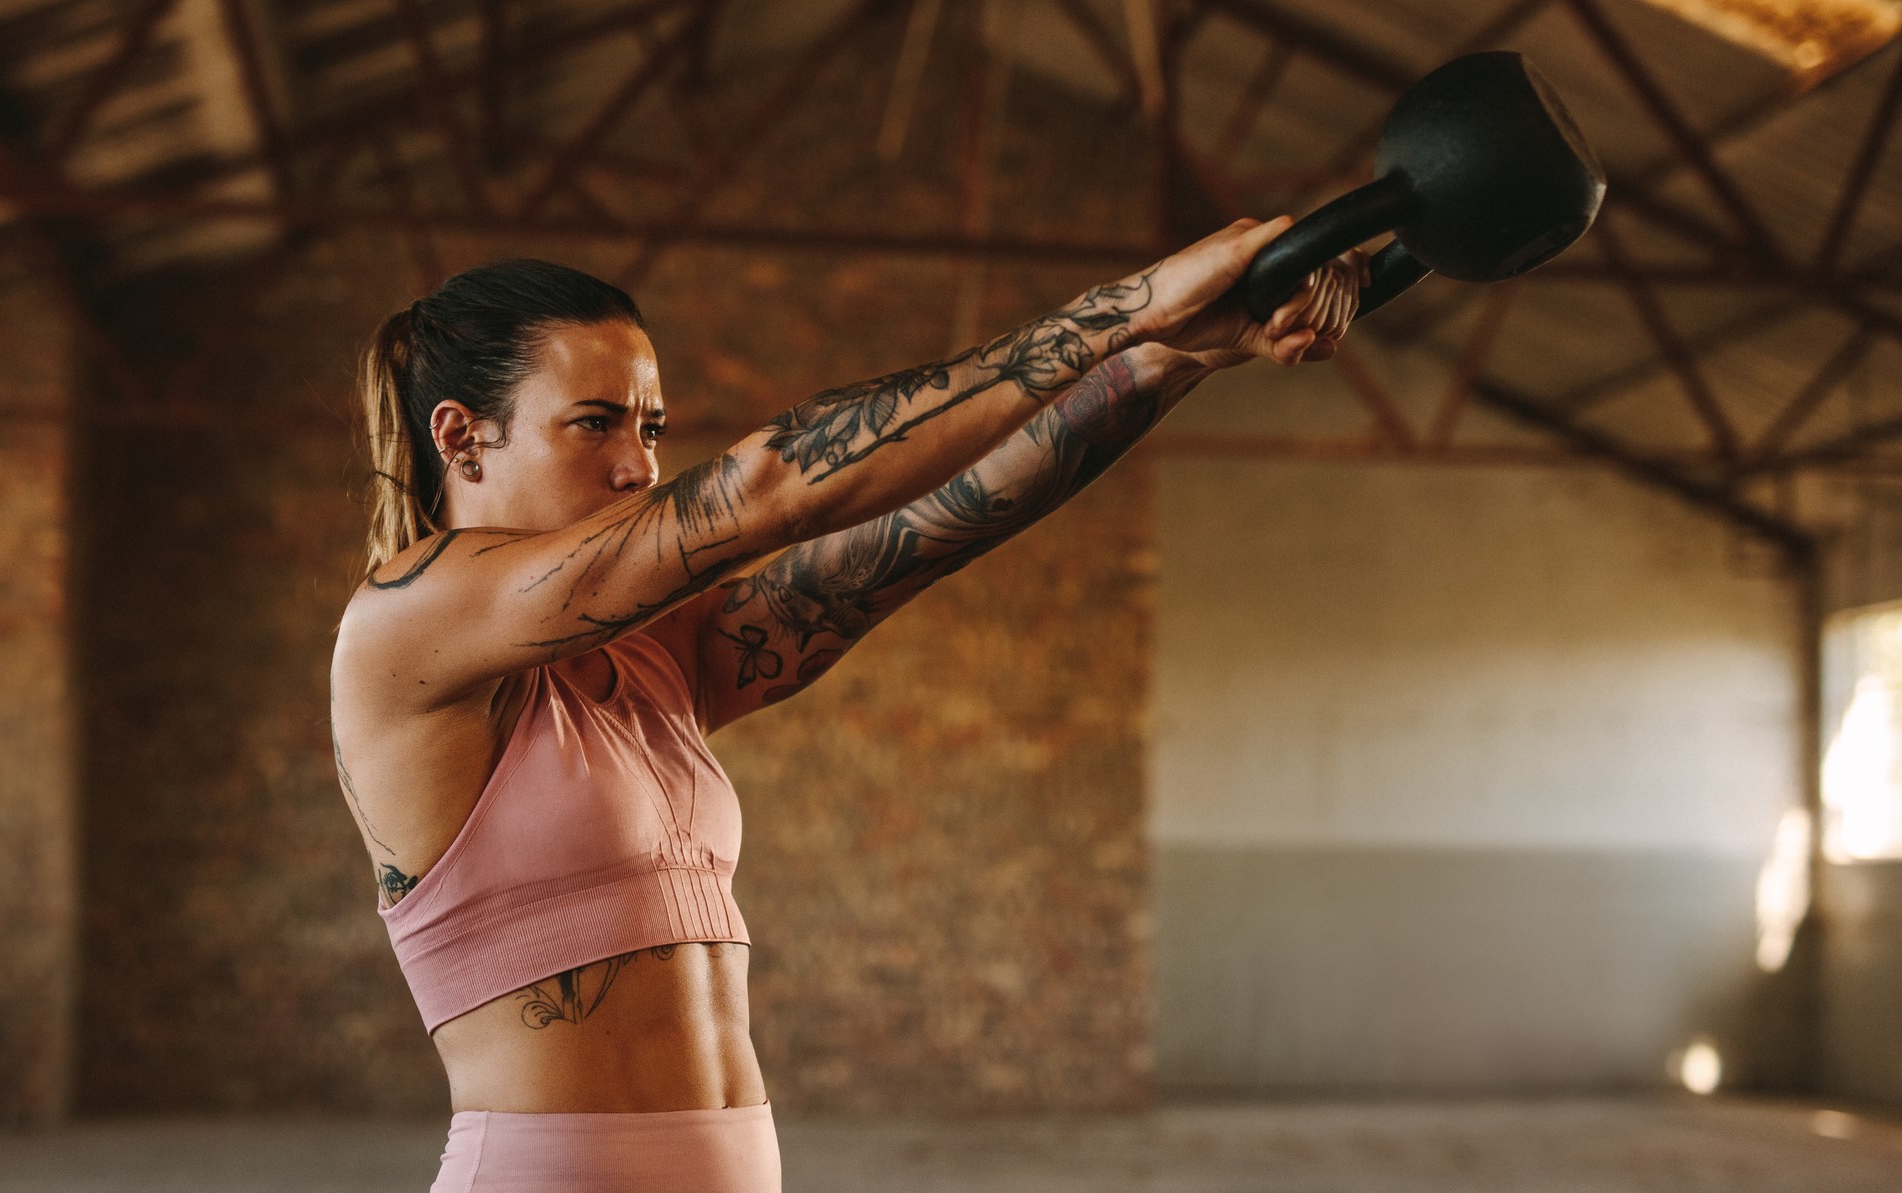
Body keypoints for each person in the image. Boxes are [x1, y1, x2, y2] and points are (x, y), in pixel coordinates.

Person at [329, 216, 1364, 1192]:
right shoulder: (403, 629)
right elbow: (778, 484)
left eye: (650, 426)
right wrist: (1129, 307)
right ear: (463, 438)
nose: (640, 464)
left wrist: (1166, 359)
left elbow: (929, 524)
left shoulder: (658, 656)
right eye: (594, 424)